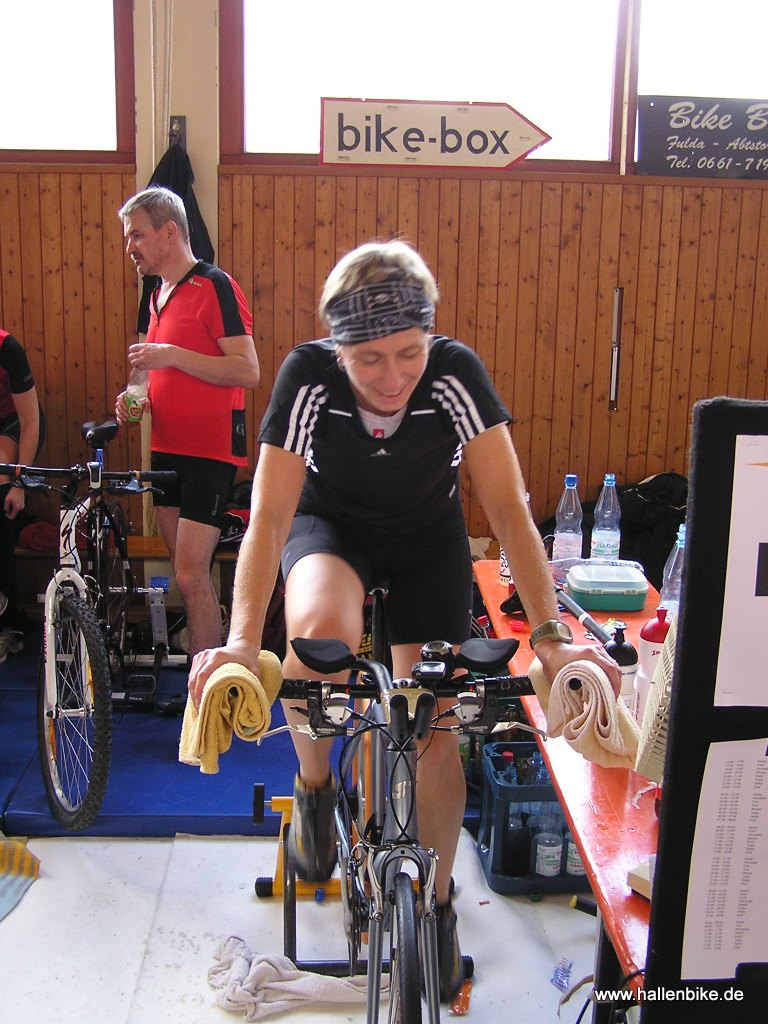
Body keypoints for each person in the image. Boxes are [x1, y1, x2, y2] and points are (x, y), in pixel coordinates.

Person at [187, 240, 621, 1002]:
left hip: (426, 538)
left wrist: (551, 637)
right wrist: (240, 643)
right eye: (369, 360)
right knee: (316, 641)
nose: (392, 378)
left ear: (430, 337)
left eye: (409, 354)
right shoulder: (307, 377)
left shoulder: (454, 374)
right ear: (339, 350)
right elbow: (270, 516)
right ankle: (316, 789)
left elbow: (509, 509)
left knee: (436, 723)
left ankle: (440, 903)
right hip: (331, 528)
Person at [115, 187, 260, 658]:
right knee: (187, 575)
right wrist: (135, 400)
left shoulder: (215, 285)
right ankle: (208, 673)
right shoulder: (155, 294)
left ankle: (206, 686)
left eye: (137, 235)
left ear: (169, 231)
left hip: (209, 453)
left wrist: (172, 355)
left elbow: (247, 370)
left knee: (190, 574)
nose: (130, 247)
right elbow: (150, 374)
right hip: (166, 450)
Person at [0, 328, 46, 661]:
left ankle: (9, 620)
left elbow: (30, 420)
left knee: (0, 486)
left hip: (15, 421)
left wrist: (20, 483)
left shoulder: (8, 349)